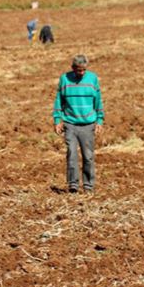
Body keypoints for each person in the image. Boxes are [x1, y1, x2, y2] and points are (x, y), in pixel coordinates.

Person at [53, 55, 104, 193]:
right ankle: (73, 184)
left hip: (88, 124)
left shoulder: (92, 78)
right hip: (70, 123)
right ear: (73, 68)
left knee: (88, 156)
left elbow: (98, 100)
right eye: (78, 70)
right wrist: (57, 120)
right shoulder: (64, 79)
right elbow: (59, 100)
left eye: (84, 70)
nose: (81, 73)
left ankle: (88, 185)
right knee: (71, 154)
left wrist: (99, 120)